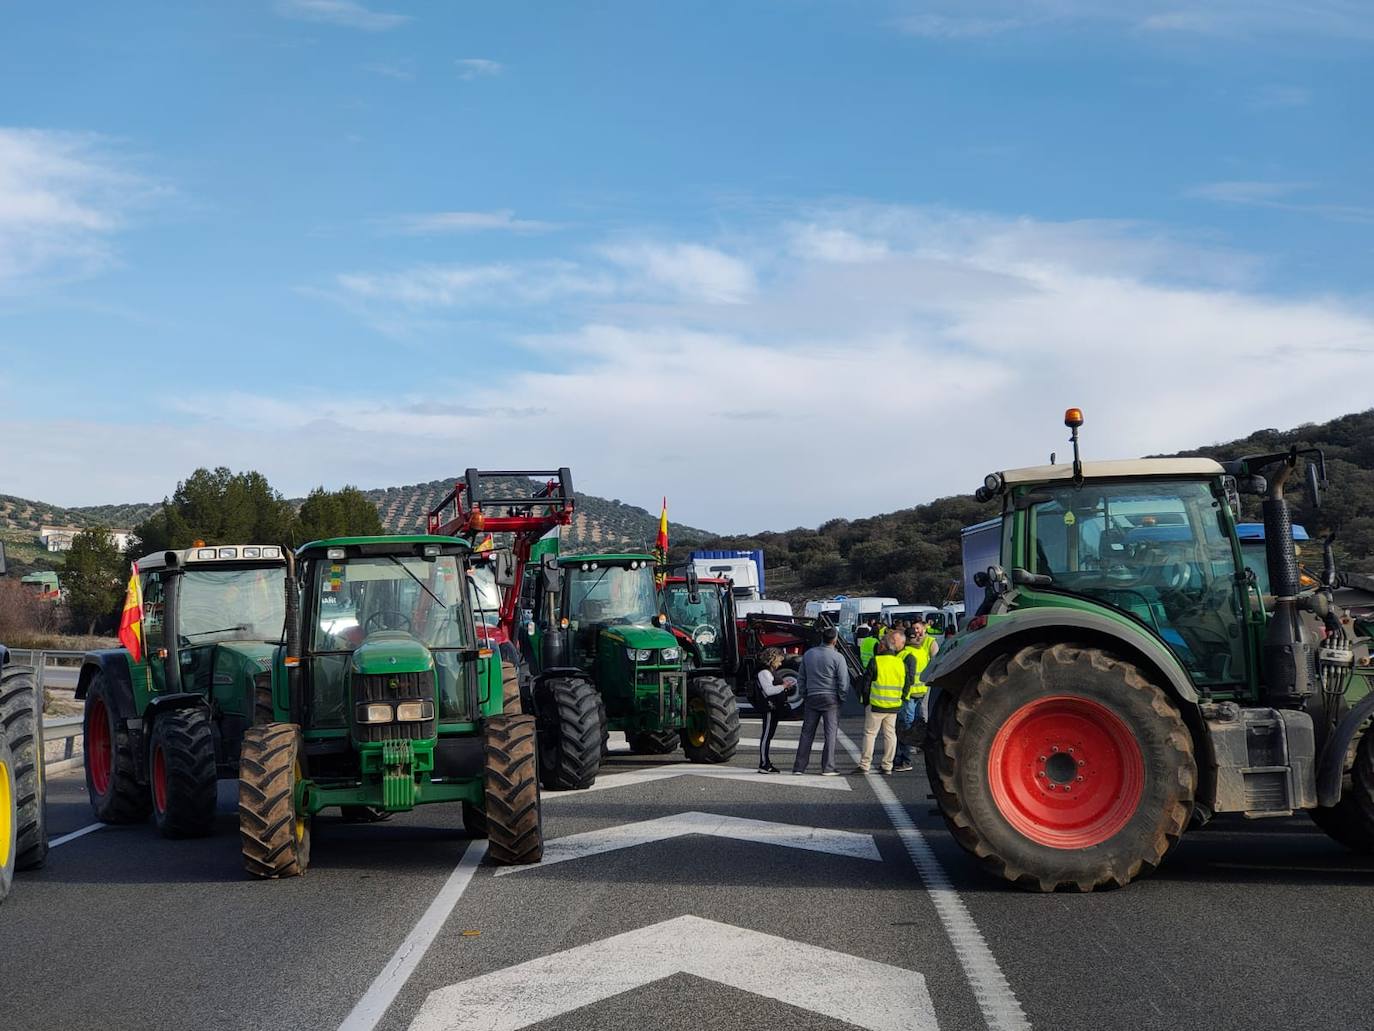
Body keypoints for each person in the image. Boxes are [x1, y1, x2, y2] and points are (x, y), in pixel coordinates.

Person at [791, 627, 850, 776]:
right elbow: (843, 681)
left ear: (822, 638)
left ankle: (799, 767)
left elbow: (801, 678)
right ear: (835, 640)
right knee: (830, 734)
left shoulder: (809, 654)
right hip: (830, 698)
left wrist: (805, 694)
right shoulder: (838, 657)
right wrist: (841, 697)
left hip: (812, 696)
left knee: (807, 733)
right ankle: (828, 767)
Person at [855, 630, 914, 775]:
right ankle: (887, 765)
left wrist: (866, 701)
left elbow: (866, 684)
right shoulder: (900, 663)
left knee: (870, 734)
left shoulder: (876, 661)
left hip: (876, 705)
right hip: (893, 705)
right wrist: (901, 699)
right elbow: (907, 684)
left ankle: (865, 765)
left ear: (883, 647)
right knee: (890, 735)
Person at [893, 620, 936, 772]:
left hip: (909, 695)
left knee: (905, 725)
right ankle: (921, 746)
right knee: (919, 721)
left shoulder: (904, 654)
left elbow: (899, 675)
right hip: (922, 691)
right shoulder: (922, 652)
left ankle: (904, 758)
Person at [755, 647, 794, 774]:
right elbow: (769, 690)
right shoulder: (764, 672)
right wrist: (784, 686)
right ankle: (764, 763)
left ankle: (766, 763)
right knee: (766, 736)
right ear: (772, 659)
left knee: (768, 735)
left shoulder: (769, 671)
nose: (780, 663)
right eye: (779, 661)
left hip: (773, 707)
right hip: (769, 707)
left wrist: (783, 686)